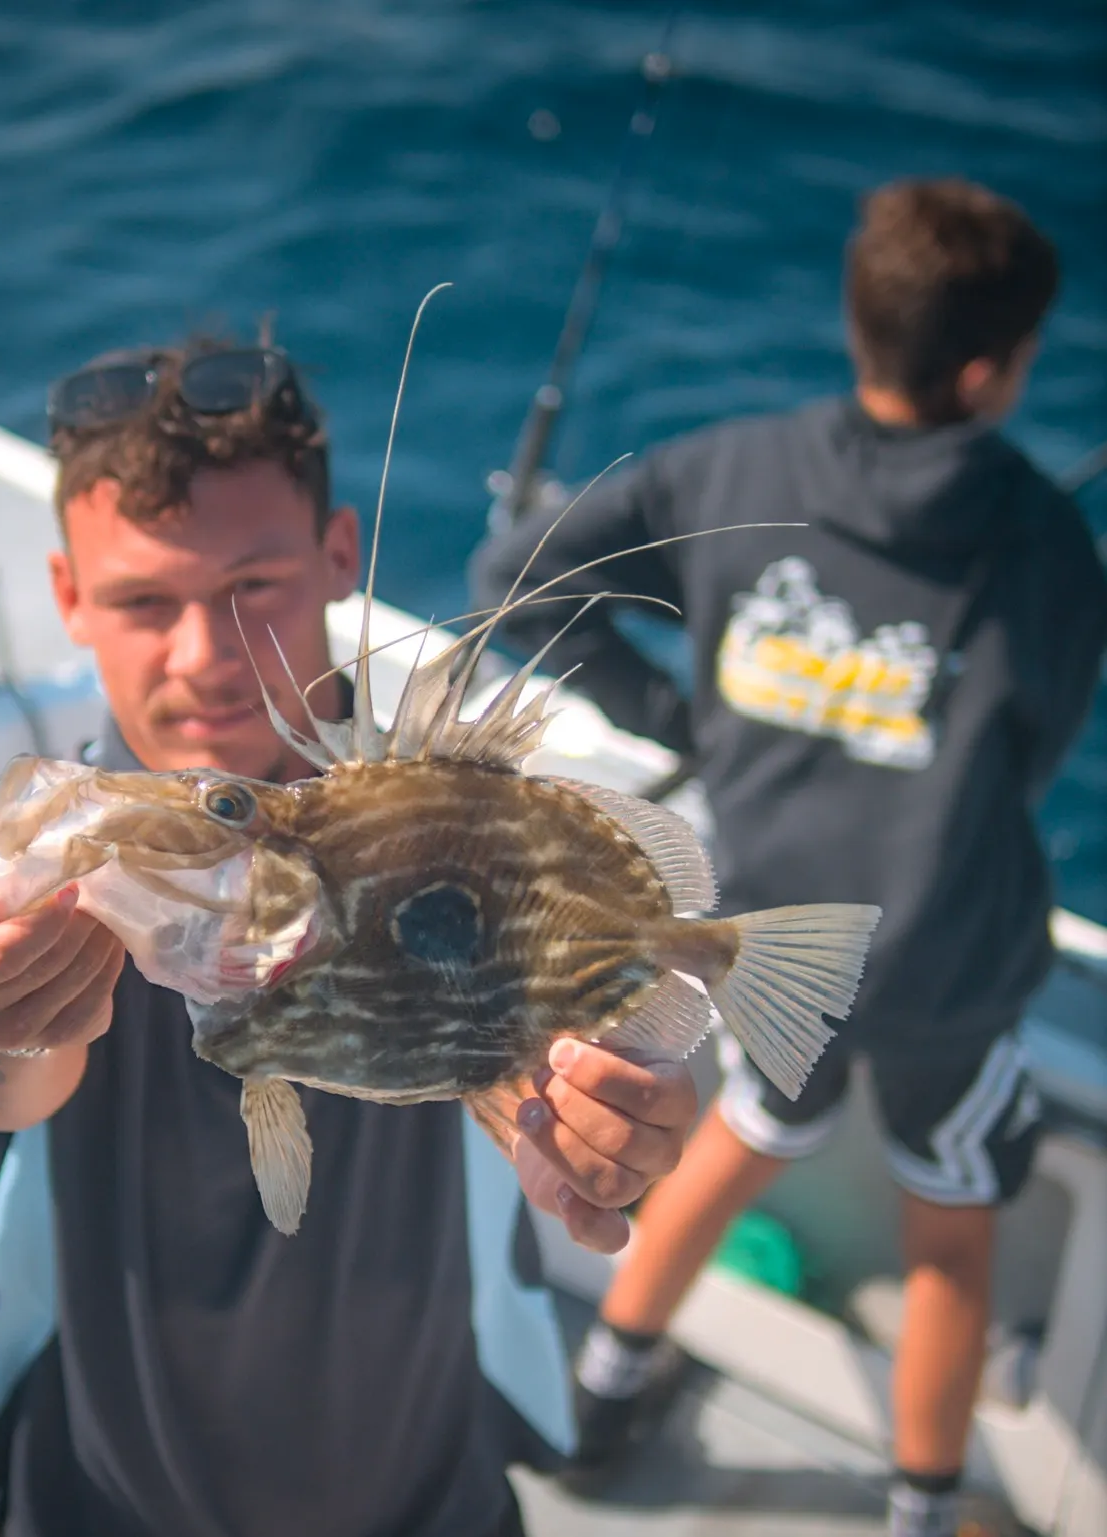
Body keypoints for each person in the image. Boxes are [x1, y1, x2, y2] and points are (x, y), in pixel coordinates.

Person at [0, 337, 700, 1537]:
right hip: (104, 1501)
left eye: (252, 585)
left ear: (339, 556)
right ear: (67, 598)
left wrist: (618, 1123)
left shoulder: (473, 843)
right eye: (145, 600)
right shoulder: (14, 869)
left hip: (432, 1493)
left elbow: (586, 1052)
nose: (204, 658)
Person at [470, 177, 1107, 1537]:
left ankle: (601, 1394)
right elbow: (1039, 740)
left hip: (768, 942)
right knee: (946, 1232)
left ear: (862, 320)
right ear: (990, 371)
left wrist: (679, 711)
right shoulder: (1049, 542)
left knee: (753, 1130)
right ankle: (924, 1510)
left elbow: (511, 581)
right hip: (947, 968)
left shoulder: (728, 467)